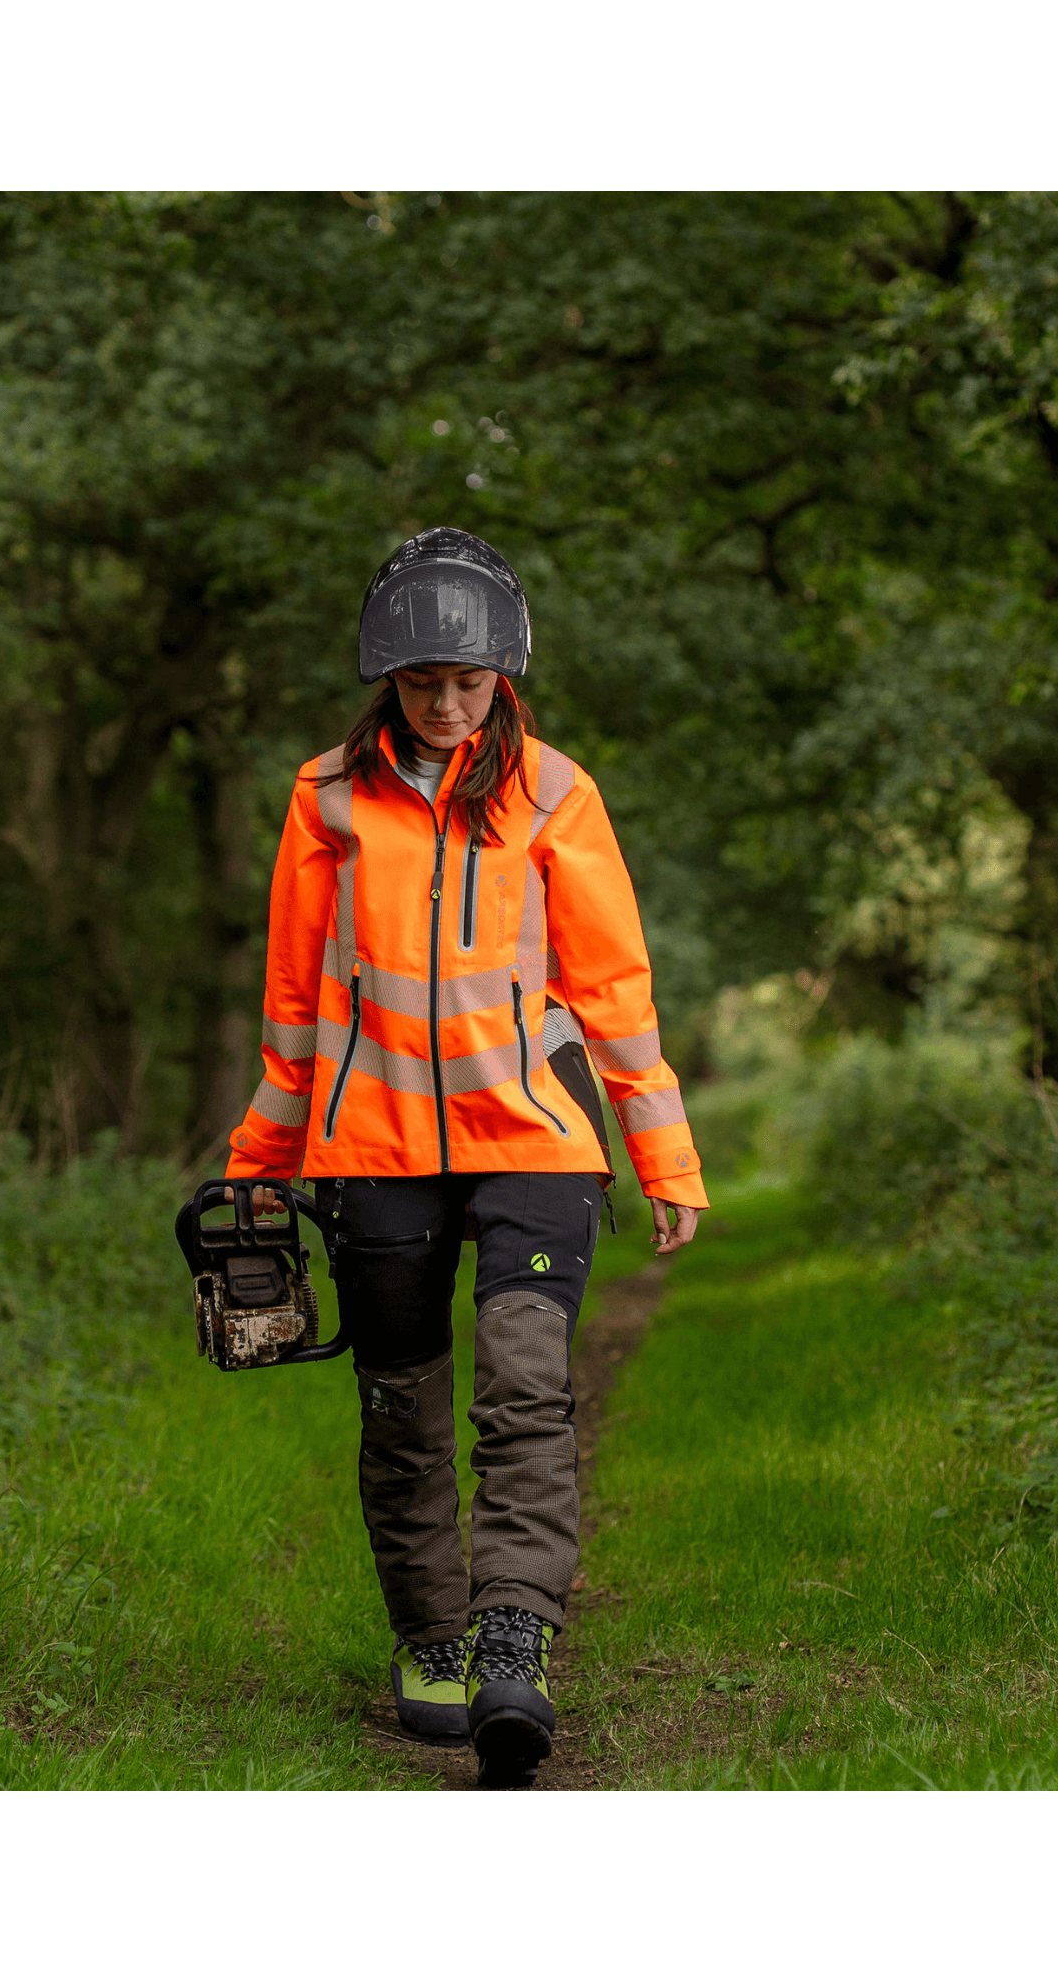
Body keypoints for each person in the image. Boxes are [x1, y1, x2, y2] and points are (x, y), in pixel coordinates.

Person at [222, 527, 707, 1787]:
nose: (446, 706)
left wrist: (662, 1155)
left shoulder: (554, 793)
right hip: (372, 1146)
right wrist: (259, 1159)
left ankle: (513, 1639)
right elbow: (291, 999)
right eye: (424, 681)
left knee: (524, 1382)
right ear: (388, 675)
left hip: (532, 1139)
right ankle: (430, 1635)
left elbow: (611, 987)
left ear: (505, 677)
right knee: (400, 1405)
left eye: (470, 683)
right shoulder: (324, 798)